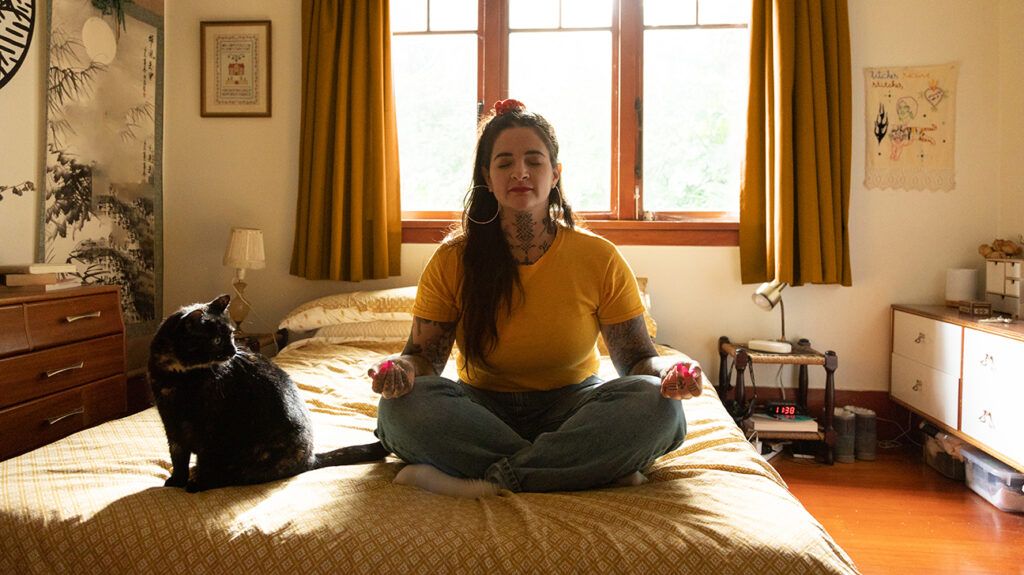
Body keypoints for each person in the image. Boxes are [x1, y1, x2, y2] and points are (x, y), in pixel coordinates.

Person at [367, 99, 703, 498]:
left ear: (555, 173)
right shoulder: (452, 258)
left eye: (534, 160)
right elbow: (424, 359)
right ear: (487, 178)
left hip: (574, 408)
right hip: (479, 410)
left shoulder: (598, 256)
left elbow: (635, 361)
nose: (520, 172)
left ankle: (485, 478)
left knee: (657, 406)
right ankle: (581, 469)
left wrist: (670, 370)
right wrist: (400, 369)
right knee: (402, 408)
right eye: (504, 162)